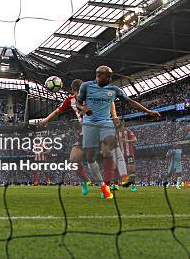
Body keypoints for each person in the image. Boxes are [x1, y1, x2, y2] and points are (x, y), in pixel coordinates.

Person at [77, 66, 160, 199]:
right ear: (98, 76)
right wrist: (84, 108)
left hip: (106, 122)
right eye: (108, 76)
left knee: (113, 144)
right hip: (89, 123)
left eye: (111, 76)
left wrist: (148, 111)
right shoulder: (86, 86)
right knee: (90, 158)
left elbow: (129, 101)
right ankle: (103, 186)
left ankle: (124, 176)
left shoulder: (114, 89)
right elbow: (78, 103)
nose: (110, 78)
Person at [40, 79, 117, 196]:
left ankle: (105, 186)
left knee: (106, 154)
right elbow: (56, 112)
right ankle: (86, 181)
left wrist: (114, 116)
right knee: (73, 159)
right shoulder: (70, 100)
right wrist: (46, 120)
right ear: (73, 91)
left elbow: (110, 101)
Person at [117, 122, 138, 191]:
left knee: (131, 169)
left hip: (129, 154)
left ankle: (133, 185)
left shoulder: (128, 131)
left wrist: (127, 140)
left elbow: (135, 139)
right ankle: (117, 183)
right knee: (118, 169)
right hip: (120, 154)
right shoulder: (115, 132)